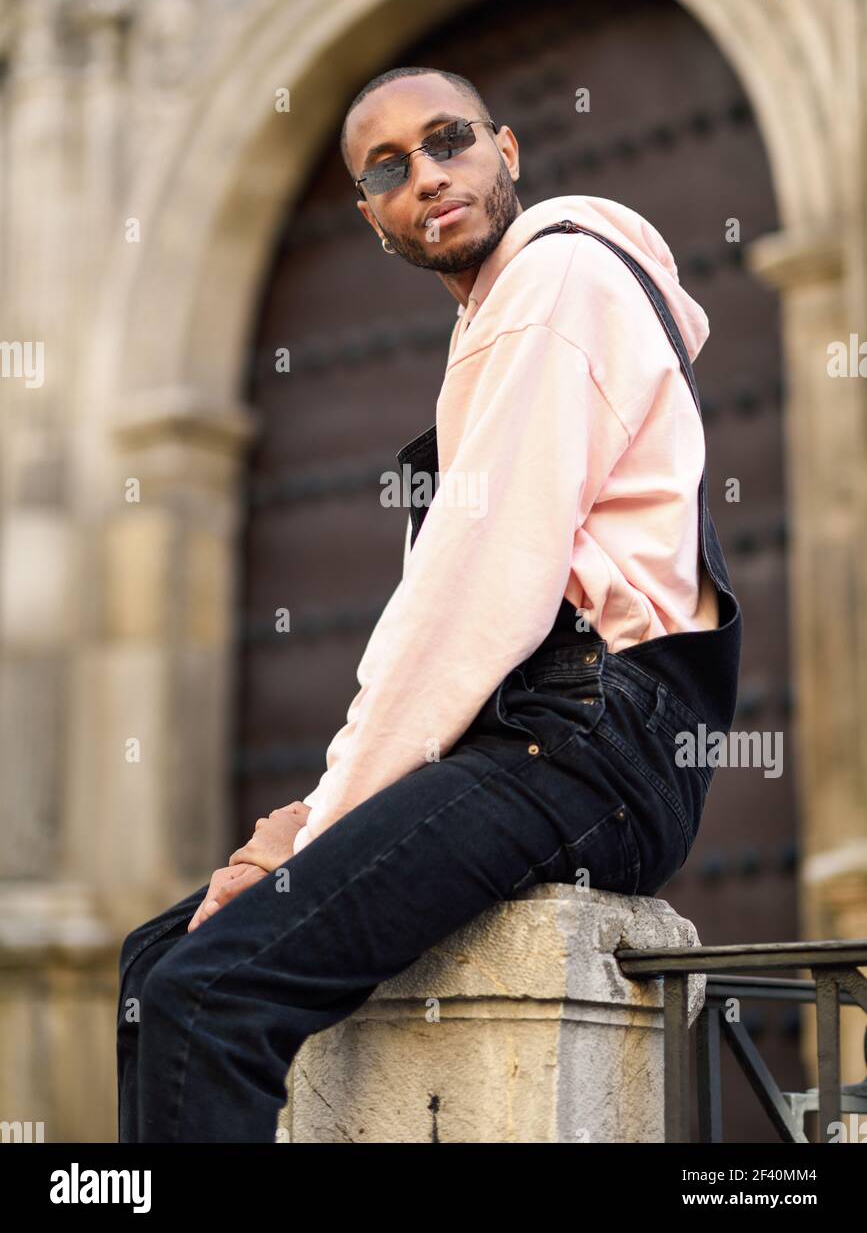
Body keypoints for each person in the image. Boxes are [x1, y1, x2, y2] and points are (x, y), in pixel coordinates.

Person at [117, 65, 742, 1142]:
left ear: (507, 151)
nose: (429, 177)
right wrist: (320, 820)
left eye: (450, 141)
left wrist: (315, 824)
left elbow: (473, 597)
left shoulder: (553, 287)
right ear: (371, 218)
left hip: (591, 749)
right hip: (549, 749)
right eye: (390, 169)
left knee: (205, 995)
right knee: (156, 962)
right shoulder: (507, 313)